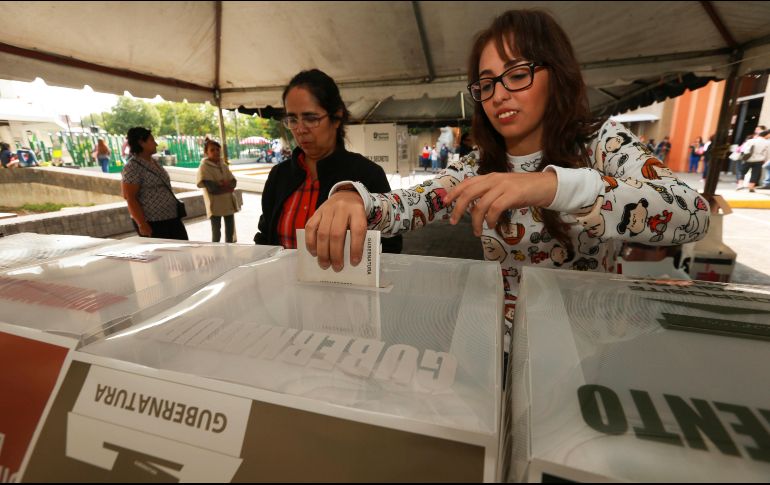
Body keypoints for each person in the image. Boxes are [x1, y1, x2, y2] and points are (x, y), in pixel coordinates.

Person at [302, 9, 709, 346]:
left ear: (558, 73)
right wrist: (351, 199)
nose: (499, 95)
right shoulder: (479, 164)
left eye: (517, 75)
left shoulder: (600, 142)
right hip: (501, 344)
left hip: (588, 346)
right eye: (486, 83)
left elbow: (692, 212)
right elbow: (411, 203)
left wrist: (553, 185)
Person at [253, 69, 402, 254]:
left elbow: (390, 245)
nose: (300, 129)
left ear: (336, 117)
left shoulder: (367, 174)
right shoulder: (279, 175)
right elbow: (265, 236)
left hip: (344, 283)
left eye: (310, 118)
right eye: (292, 119)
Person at [121, 127, 189, 240]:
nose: (156, 144)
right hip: (153, 222)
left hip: (172, 218)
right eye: (152, 140)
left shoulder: (154, 162)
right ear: (141, 143)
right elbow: (130, 197)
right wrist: (142, 224)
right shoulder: (132, 167)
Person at [197, 138, 240, 242]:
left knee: (230, 231)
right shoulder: (204, 167)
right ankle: (216, 253)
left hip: (228, 203)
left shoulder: (223, 164)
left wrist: (224, 185)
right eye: (212, 150)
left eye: (217, 149)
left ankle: (228, 251)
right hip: (215, 204)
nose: (216, 152)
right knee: (216, 232)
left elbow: (233, 182)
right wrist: (226, 186)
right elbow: (212, 189)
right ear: (206, 152)